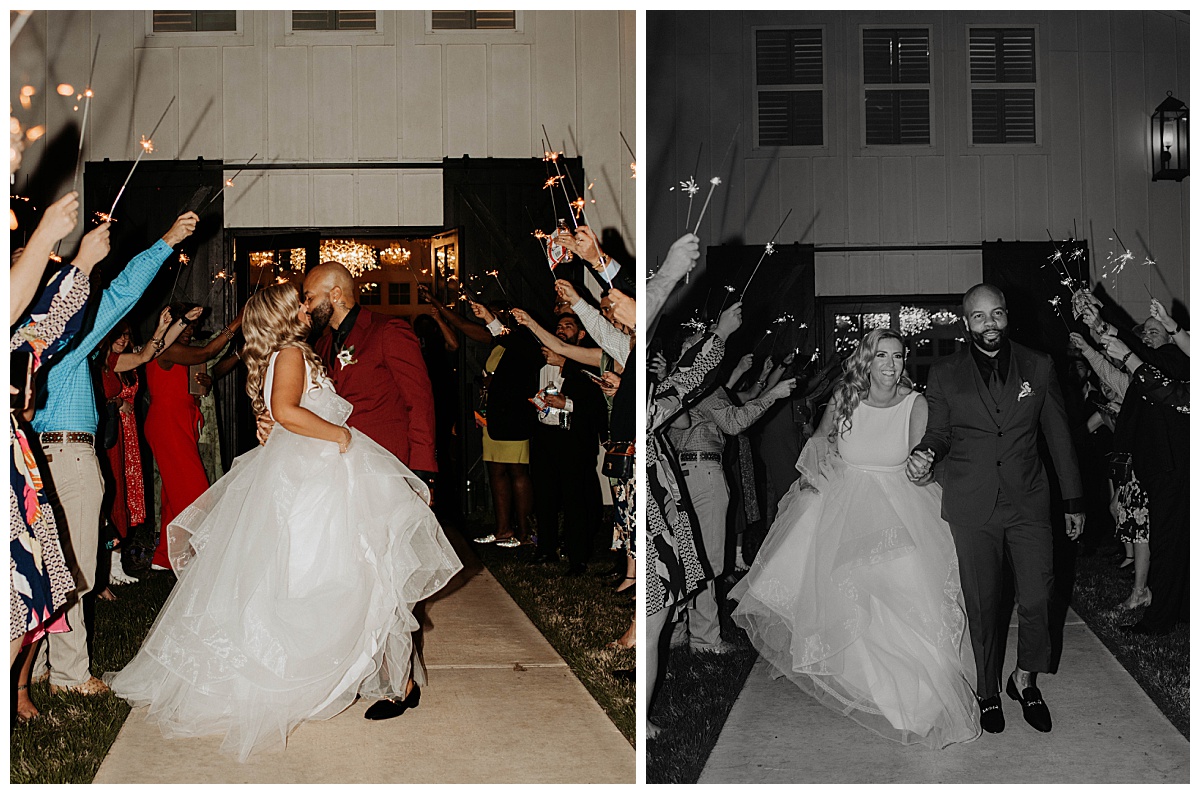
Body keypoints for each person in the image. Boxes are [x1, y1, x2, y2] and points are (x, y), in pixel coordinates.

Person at [105, 285, 462, 759]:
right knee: (343, 575)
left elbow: (283, 411)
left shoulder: (298, 352)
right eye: (297, 302)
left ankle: (389, 677)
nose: (306, 306)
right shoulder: (292, 352)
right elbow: (286, 411)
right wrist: (342, 437)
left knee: (359, 574)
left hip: (317, 472)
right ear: (282, 316)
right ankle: (353, 675)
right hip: (320, 473)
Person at [731, 329, 980, 748]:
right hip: (842, 508)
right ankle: (875, 687)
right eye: (881, 355)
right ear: (866, 360)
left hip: (900, 509)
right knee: (850, 604)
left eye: (898, 357)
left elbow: (925, 452)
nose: (890, 364)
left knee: (912, 602)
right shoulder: (845, 398)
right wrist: (818, 479)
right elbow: (818, 445)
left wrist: (924, 464)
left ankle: (923, 697)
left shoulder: (915, 404)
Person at [907, 284, 1084, 735]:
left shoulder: (1037, 365)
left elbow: (1059, 436)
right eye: (980, 317)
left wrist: (1073, 498)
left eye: (998, 315)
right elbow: (940, 432)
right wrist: (926, 452)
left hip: (1028, 500)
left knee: (1039, 595)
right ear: (967, 323)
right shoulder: (945, 373)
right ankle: (987, 689)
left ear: (1007, 318)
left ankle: (1024, 679)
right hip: (972, 503)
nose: (991, 324)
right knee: (983, 605)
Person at [32, 213, 192, 696]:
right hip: (66, 458)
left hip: (39, 456)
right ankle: (70, 674)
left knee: (43, 566)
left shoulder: (26, 332)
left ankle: (37, 665)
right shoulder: (57, 335)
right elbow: (122, 292)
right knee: (74, 568)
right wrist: (166, 240)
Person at [668, 302, 796, 654]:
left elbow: (739, 400)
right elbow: (735, 421)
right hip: (703, 473)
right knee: (707, 559)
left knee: (683, 555)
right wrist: (775, 395)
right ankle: (705, 638)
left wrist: (758, 381)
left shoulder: (676, 387)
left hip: (679, 474)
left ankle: (678, 630)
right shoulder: (701, 389)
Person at [304, 262, 437, 487]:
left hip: (388, 463)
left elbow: (420, 401)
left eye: (310, 298)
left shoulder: (388, 330)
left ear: (335, 294)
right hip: (340, 466)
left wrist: (422, 468)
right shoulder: (322, 345)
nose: (306, 307)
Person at [98, 308, 198, 585]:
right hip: (103, 434)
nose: (122, 339)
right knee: (108, 494)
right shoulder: (99, 361)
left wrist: (174, 324)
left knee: (121, 493)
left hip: (125, 433)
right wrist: (118, 403)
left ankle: (115, 562)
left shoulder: (122, 359)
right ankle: (104, 567)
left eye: (126, 335)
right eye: (117, 335)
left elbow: (148, 353)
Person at [143, 305, 242, 571]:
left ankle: (164, 558)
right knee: (197, 494)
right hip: (167, 424)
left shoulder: (183, 353)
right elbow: (207, 352)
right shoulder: (164, 347)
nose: (189, 331)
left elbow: (211, 368)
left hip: (183, 422)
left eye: (192, 327)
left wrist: (238, 356)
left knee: (173, 495)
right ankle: (206, 561)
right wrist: (238, 321)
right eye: (184, 325)